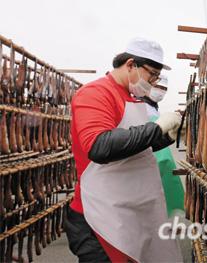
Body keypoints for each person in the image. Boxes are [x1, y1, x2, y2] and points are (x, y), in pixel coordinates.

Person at [65, 37, 182, 262]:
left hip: (125, 212)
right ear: (130, 65)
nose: (153, 82)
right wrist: (155, 129)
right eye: (152, 75)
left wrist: (165, 136)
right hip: (98, 216)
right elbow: (100, 146)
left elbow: (134, 147)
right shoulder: (95, 93)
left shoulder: (131, 98)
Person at [139, 74, 185, 217]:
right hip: (148, 175)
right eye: (157, 87)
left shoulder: (154, 109)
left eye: (163, 88)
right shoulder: (140, 108)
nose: (160, 91)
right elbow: (160, 156)